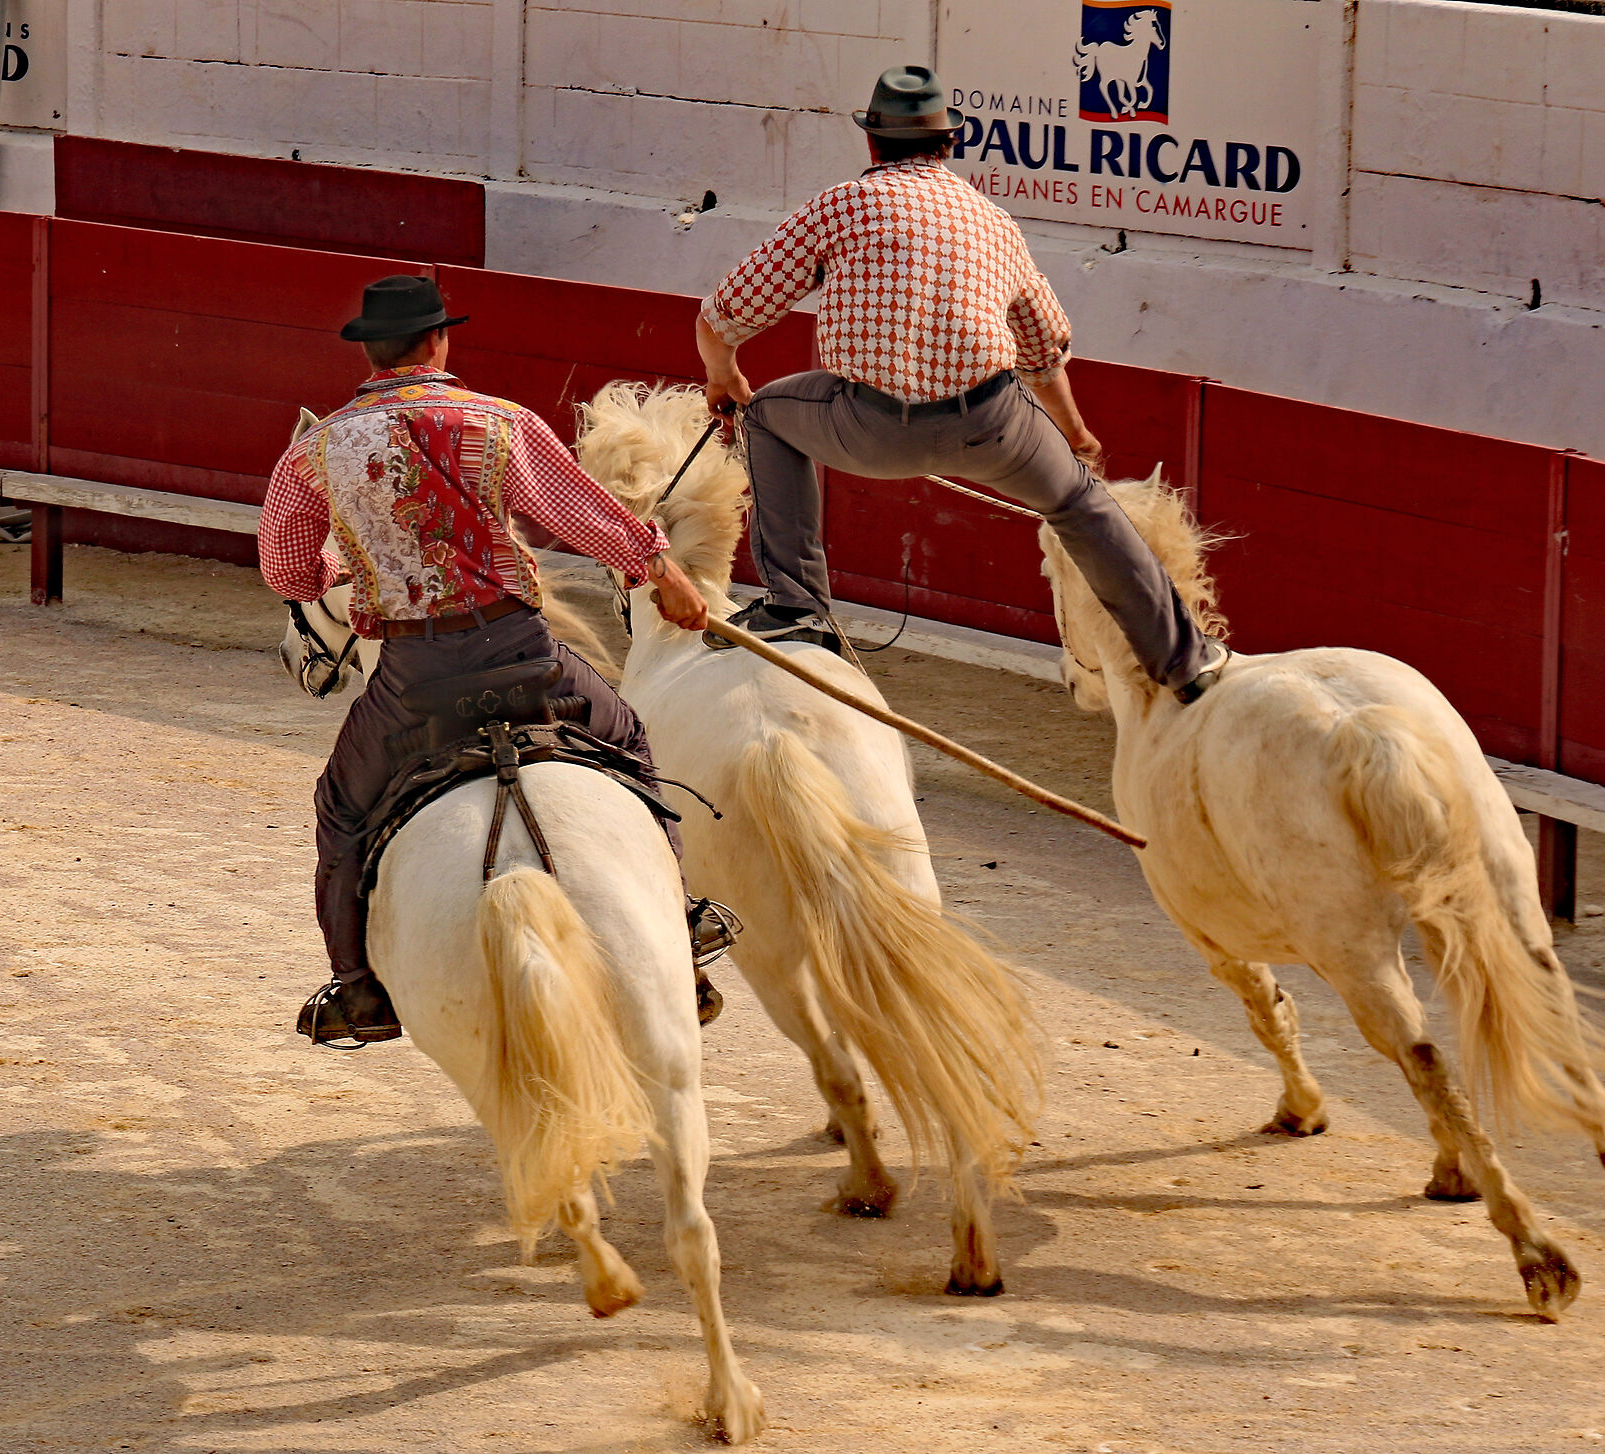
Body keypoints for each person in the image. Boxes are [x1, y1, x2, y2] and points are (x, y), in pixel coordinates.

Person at [262, 274, 728, 1047]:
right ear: (438, 342)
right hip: (521, 653)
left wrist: (332, 572)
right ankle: (679, 920)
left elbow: (286, 570)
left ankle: (356, 988)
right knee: (627, 737)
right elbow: (578, 511)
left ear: (372, 354)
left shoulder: (316, 452)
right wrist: (658, 569)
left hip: (413, 680)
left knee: (339, 810)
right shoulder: (498, 422)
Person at [695, 65, 1227, 703]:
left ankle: (798, 608)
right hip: (993, 426)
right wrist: (1075, 433)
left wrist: (725, 377)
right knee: (1082, 508)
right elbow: (1044, 351)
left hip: (868, 427)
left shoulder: (840, 206)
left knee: (763, 414)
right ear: (949, 143)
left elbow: (722, 315)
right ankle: (1185, 660)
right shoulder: (994, 221)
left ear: (872, 143)